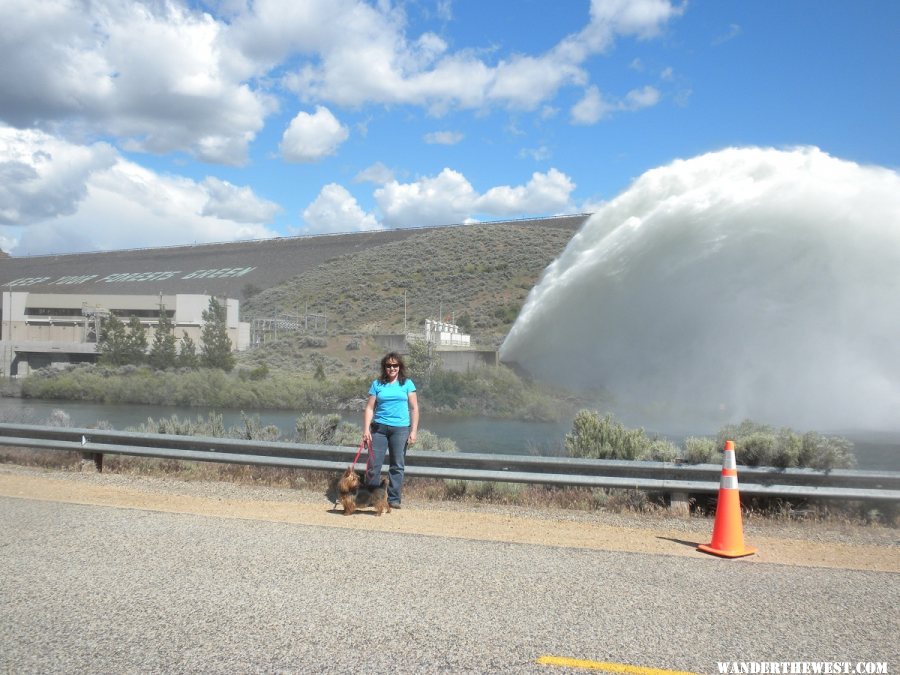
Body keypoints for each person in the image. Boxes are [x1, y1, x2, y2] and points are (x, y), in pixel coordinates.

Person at [363, 352, 418, 509]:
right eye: (388, 365)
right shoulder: (377, 384)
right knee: (374, 465)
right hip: (379, 429)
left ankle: (393, 499)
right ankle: (372, 497)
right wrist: (366, 430)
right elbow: (369, 408)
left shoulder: (407, 384)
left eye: (395, 365)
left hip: (400, 429)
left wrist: (413, 431)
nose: (392, 368)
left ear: (400, 367)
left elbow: (414, 408)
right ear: (384, 367)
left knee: (397, 465)